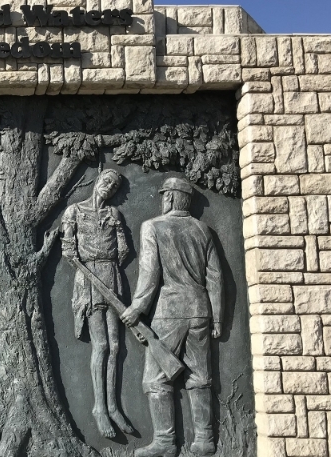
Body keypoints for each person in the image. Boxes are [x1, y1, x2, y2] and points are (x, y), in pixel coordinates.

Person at [120, 177, 223, 457]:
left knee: (156, 379)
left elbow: (150, 274)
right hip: (200, 310)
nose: (162, 199)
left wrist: (137, 308)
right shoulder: (203, 230)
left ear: (172, 198)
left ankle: (165, 443)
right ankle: (204, 440)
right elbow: (215, 278)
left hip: (169, 312)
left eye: (165, 195)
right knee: (200, 375)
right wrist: (217, 319)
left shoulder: (153, 227)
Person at [61, 168, 133, 438]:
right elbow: (68, 249)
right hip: (88, 279)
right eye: (106, 182)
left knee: (116, 346)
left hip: (111, 276)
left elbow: (124, 250)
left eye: (114, 186)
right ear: (98, 181)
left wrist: (109, 260)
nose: (109, 187)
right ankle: (99, 408)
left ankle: (114, 407)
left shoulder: (114, 215)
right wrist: (88, 261)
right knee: (100, 345)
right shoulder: (75, 211)